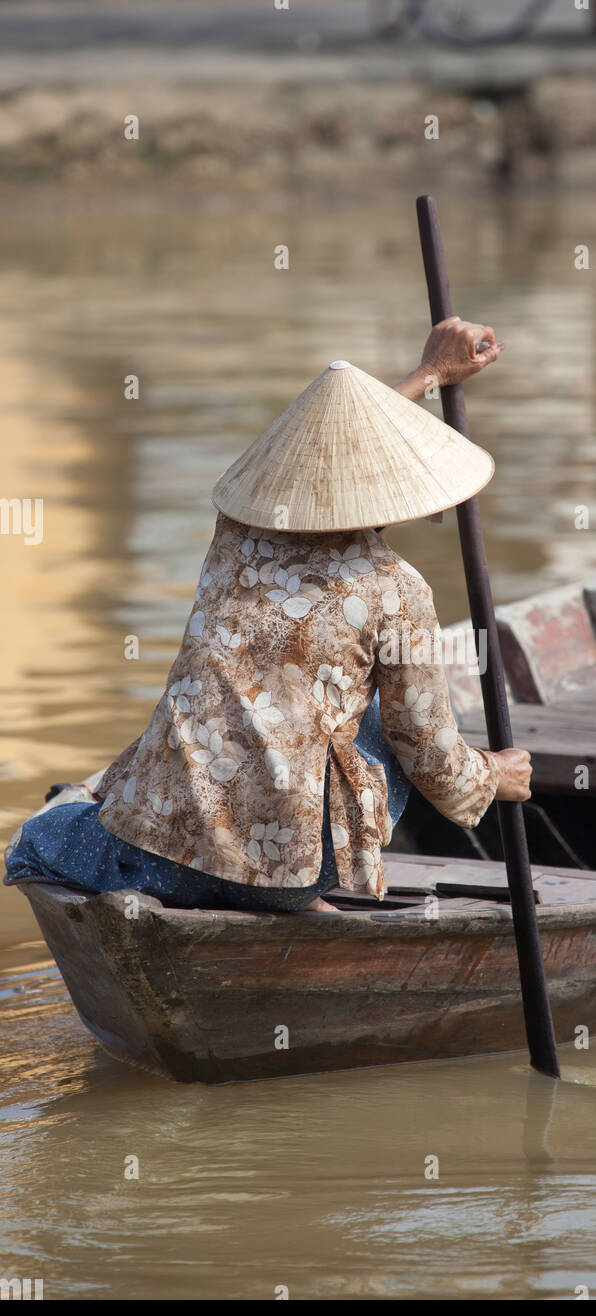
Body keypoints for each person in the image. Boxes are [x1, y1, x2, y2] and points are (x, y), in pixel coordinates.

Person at [5, 318, 532, 913]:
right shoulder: (396, 590)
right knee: (390, 718)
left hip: (151, 854)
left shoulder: (236, 536)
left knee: (35, 837)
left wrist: (430, 374)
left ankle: (257, 892)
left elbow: (315, 456)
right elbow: (430, 756)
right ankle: (303, 904)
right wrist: (493, 774)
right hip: (297, 871)